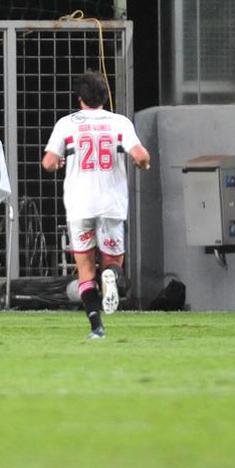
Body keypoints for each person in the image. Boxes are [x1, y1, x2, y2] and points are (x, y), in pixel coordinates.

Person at [42, 71, 150, 339]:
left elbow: (48, 162)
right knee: (113, 261)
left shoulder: (67, 124)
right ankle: (110, 275)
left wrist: (59, 163)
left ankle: (96, 327)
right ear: (105, 97)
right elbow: (141, 156)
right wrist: (143, 163)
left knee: (86, 270)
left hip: (79, 205)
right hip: (111, 204)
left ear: (79, 98)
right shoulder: (119, 123)